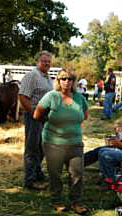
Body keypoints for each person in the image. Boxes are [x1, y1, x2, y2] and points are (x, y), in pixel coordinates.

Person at [34, 69, 88, 214]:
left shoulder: (80, 98)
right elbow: (37, 115)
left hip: (75, 142)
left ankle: (76, 202)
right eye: (63, 78)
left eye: (70, 79)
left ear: (73, 81)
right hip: (53, 143)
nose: (67, 81)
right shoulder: (51, 96)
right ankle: (57, 200)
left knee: (77, 173)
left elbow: (85, 115)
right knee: (55, 174)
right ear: (58, 81)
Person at [19, 51, 54, 190]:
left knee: (42, 147)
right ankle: (29, 180)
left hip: (44, 117)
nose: (46, 64)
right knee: (32, 148)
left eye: (48, 62)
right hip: (33, 116)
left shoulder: (47, 77)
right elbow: (22, 97)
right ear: (37, 62)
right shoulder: (32, 76)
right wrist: (34, 114)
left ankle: (37, 172)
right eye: (44, 61)